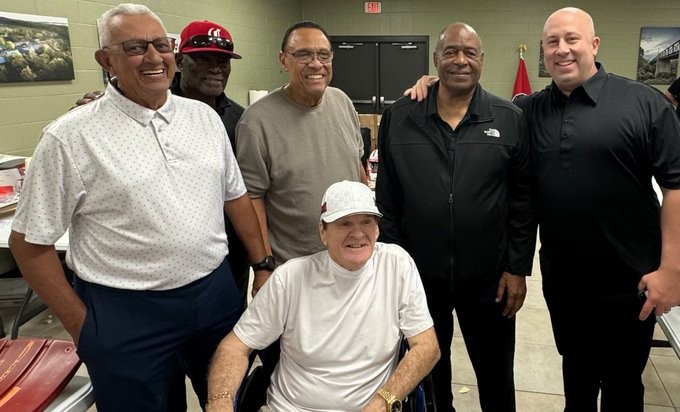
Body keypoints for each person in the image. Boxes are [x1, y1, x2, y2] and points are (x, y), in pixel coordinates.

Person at [405, 7, 680, 412]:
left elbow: (676, 186)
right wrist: (433, 84)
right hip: (565, 281)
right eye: (552, 42)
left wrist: (671, 271)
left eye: (572, 39)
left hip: (630, 280)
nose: (562, 50)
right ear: (543, 51)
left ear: (594, 44)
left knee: (624, 386)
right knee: (578, 381)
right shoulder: (528, 111)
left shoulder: (645, 104)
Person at [8, 4, 272, 411]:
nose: (153, 57)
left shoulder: (204, 118)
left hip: (214, 295)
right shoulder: (71, 137)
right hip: (125, 309)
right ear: (105, 61)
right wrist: (84, 328)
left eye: (161, 45)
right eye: (134, 47)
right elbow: (29, 244)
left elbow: (234, 196)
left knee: (227, 399)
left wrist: (263, 265)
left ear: (174, 52)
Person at [375, 23, 534, 412]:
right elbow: (388, 201)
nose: (460, 60)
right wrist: (394, 269)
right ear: (436, 60)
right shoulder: (400, 117)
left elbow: (524, 202)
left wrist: (517, 268)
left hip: (490, 279)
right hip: (419, 277)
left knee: (496, 375)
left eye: (469, 52)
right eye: (450, 52)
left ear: (482, 60)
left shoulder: (509, 118)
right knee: (429, 370)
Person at [205, 180, 440, 412]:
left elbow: (427, 346)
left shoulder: (396, 265)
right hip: (291, 407)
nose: (358, 233)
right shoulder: (290, 278)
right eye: (344, 223)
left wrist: (384, 401)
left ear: (377, 229)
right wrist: (220, 401)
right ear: (323, 232)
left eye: (366, 222)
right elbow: (234, 347)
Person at [236, 21, 366, 268]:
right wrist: (263, 265)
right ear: (284, 60)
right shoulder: (256, 121)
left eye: (323, 55)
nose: (316, 64)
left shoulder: (343, 102)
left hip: (350, 258)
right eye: (303, 54)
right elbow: (253, 199)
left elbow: (356, 166)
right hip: (296, 266)